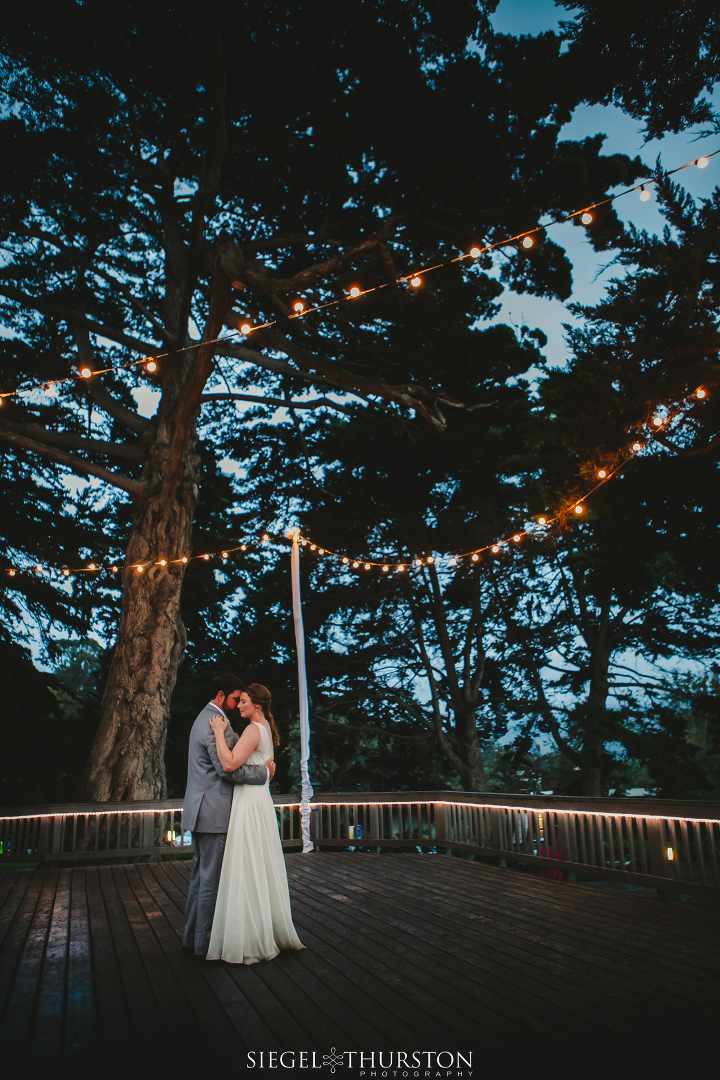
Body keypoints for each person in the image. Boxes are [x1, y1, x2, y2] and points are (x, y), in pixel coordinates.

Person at [206, 682, 305, 964]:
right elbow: (255, 764)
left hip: (249, 801)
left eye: (244, 702)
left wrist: (217, 734)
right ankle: (262, 927)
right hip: (258, 799)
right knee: (256, 862)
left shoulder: (254, 729)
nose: (239, 706)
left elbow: (229, 764)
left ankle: (249, 937)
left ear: (257, 705)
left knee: (246, 862)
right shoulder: (264, 729)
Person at [181, 673, 276, 958]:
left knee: (201, 879)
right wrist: (264, 772)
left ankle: (191, 940)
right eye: (236, 698)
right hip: (213, 813)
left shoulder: (210, 719)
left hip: (203, 811)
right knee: (210, 882)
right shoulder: (214, 724)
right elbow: (226, 768)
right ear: (221, 696)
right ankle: (204, 945)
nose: (238, 704)